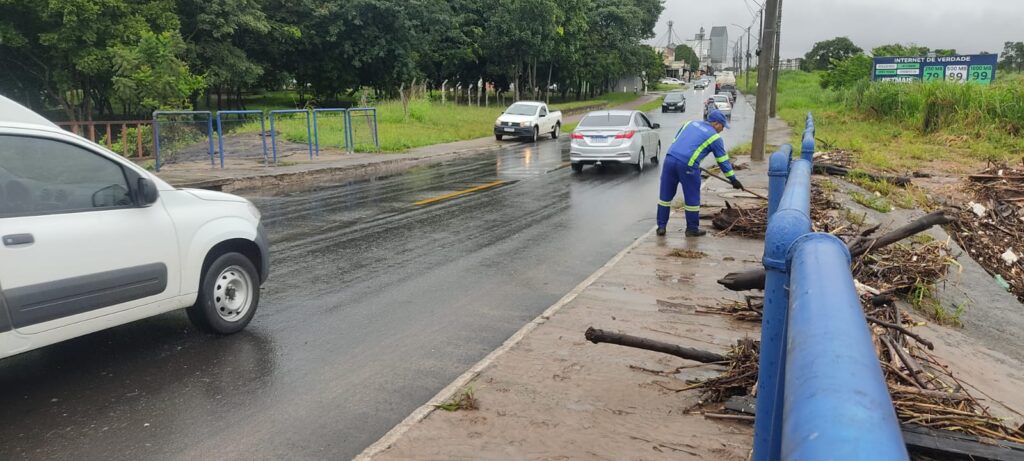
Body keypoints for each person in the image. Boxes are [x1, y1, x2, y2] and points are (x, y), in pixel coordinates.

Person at [656, 110, 742, 237]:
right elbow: (722, 161)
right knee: (692, 199)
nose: (722, 130)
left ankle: (661, 227)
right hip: (688, 166)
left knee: (665, 197)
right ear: (717, 124)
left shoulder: (689, 124)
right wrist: (733, 179)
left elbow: (677, 140)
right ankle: (691, 229)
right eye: (723, 126)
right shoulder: (715, 137)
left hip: (669, 159)